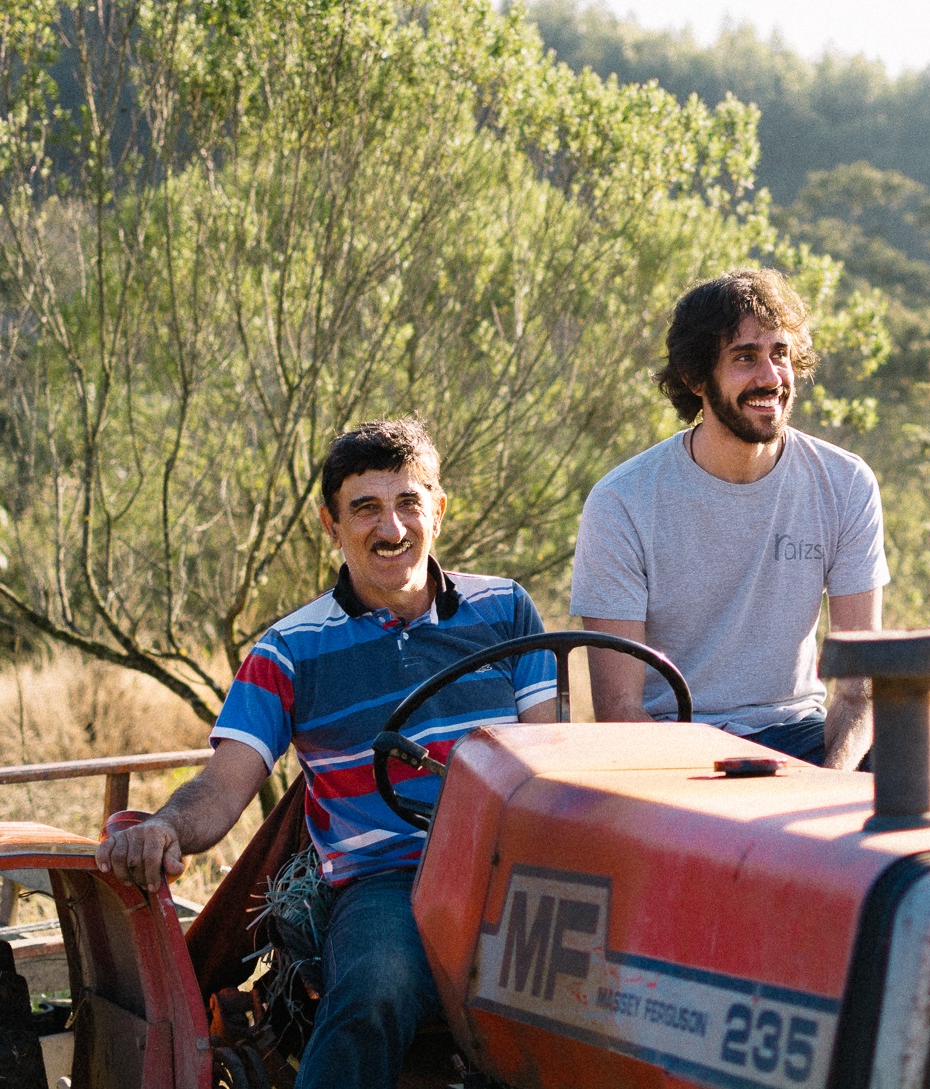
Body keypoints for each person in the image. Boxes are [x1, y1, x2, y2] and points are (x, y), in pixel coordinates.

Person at [96, 418, 556, 1089]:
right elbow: (225, 786)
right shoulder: (290, 649)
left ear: (439, 510)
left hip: (518, 873)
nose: (391, 528)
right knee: (372, 992)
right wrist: (164, 826)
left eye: (408, 503)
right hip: (392, 879)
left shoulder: (507, 610)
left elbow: (552, 762)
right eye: (365, 508)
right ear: (330, 525)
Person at [570, 268, 887, 770]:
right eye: (744, 358)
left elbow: (860, 692)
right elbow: (620, 712)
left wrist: (829, 783)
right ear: (696, 378)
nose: (770, 376)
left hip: (804, 738)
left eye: (779, 353)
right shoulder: (622, 502)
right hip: (677, 752)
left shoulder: (845, 483)